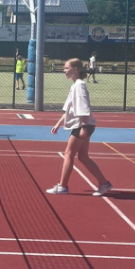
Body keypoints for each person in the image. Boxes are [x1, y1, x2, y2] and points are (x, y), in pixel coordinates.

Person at [46, 58, 112, 197]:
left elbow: (84, 107)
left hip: (82, 124)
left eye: (66, 68)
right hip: (83, 124)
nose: (64, 70)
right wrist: (58, 124)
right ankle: (104, 183)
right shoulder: (75, 85)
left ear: (75, 69)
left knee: (68, 154)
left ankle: (62, 186)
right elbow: (69, 108)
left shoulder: (79, 86)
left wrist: (83, 126)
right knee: (83, 157)